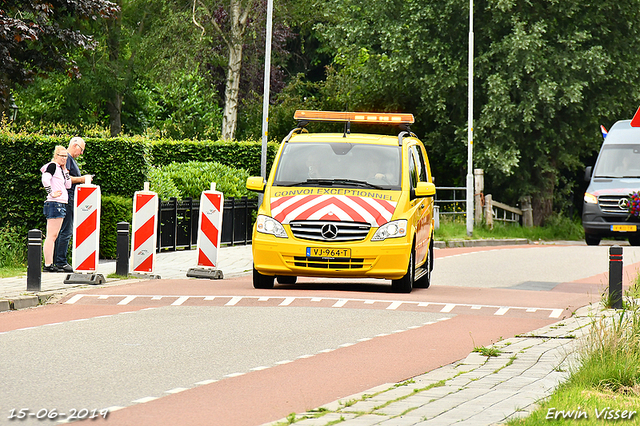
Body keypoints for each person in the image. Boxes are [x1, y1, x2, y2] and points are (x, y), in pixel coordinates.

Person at [53, 137, 90, 272]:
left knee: (60, 230)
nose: (81, 153)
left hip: (64, 198)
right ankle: (61, 261)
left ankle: (56, 261)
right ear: (75, 145)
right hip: (68, 199)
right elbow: (66, 178)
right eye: (81, 150)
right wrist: (83, 179)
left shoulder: (68, 159)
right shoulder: (67, 158)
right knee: (66, 230)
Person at [41, 146, 72, 272]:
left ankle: (49, 263)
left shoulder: (60, 169)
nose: (64, 158)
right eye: (61, 156)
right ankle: (48, 264)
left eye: (66, 156)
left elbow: (68, 185)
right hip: (55, 203)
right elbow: (45, 179)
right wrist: (51, 192)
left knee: (54, 235)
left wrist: (65, 171)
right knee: (52, 236)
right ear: (56, 155)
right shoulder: (52, 166)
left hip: (60, 203)